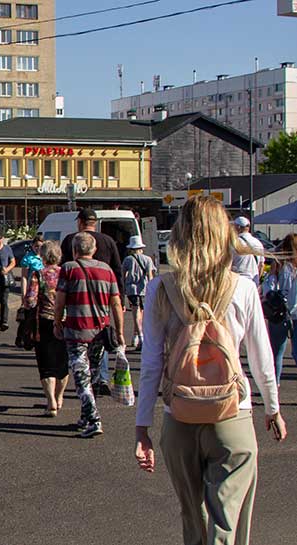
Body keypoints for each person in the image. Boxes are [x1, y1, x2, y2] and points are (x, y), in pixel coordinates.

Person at [134, 195, 286, 545]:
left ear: (180, 235)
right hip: (232, 415)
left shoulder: (160, 288)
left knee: (193, 521)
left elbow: (152, 363)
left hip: (180, 416)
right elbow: (262, 357)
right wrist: (273, 408)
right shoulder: (243, 288)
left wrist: (142, 426)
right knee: (229, 523)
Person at [53, 232, 124, 438]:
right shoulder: (106, 270)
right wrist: (119, 332)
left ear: (75, 251)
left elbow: (60, 300)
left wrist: (57, 322)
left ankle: (93, 419)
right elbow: (116, 303)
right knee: (91, 373)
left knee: (81, 376)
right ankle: (85, 416)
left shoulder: (69, 269)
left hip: (76, 330)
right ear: (93, 250)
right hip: (100, 331)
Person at [61, 208, 124, 393]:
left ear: (80, 222)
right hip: (103, 298)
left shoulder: (72, 240)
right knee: (101, 335)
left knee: (78, 342)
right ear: (95, 222)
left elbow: (62, 270)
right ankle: (101, 377)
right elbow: (117, 271)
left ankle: (84, 379)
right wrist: (120, 299)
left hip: (77, 300)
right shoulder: (108, 241)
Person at [35, 241, 69, 417]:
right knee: (62, 362)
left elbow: (31, 300)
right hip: (65, 320)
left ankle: (51, 403)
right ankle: (60, 396)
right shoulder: (66, 273)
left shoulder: (40, 274)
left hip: (45, 321)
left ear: (43, 255)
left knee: (46, 362)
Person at [263, 233, 297, 383]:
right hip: (295, 312)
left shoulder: (278, 265)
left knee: (277, 352)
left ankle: (275, 384)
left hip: (279, 312)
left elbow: (269, 288)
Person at [122, 235, 156, 351]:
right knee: (143, 313)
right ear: (141, 248)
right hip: (144, 289)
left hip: (131, 289)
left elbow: (123, 275)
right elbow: (150, 276)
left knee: (135, 312)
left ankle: (138, 336)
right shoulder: (148, 259)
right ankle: (138, 336)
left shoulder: (128, 259)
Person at [231, 216, 264, 285]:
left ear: (238, 227)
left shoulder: (234, 242)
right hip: (254, 281)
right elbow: (261, 265)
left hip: (239, 281)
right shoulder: (258, 242)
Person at [20, 235, 45, 309]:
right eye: (36, 246)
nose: (38, 248)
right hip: (32, 290)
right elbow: (24, 277)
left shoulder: (45, 257)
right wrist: (23, 295)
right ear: (32, 245)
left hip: (44, 289)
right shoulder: (27, 258)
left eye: (41, 246)